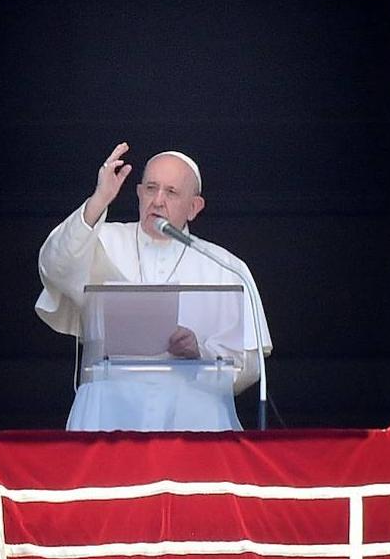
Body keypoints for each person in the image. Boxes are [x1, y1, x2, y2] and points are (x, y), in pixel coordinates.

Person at [36, 142, 272, 431]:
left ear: (194, 207)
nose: (158, 200)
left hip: (193, 418)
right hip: (108, 415)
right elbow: (54, 265)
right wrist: (100, 198)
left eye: (171, 192)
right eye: (150, 188)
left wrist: (200, 353)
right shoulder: (101, 240)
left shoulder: (225, 267)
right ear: (138, 193)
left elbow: (249, 365)